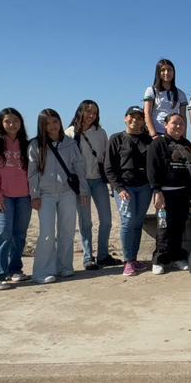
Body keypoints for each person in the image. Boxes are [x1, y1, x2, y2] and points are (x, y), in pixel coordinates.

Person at [29, 108, 89, 284]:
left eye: (55, 121)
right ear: (42, 125)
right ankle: (42, 271)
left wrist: (84, 191)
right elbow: (32, 173)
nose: (52, 126)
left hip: (67, 193)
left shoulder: (70, 143)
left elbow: (79, 168)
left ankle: (64, 266)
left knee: (67, 230)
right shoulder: (35, 145)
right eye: (47, 123)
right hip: (45, 195)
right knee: (47, 233)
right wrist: (35, 195)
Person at [0, 108, 31, 290]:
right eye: (8, 121)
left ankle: (15, 269)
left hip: (24, 196)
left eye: (16, 121)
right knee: (3, 233)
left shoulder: (26, 143)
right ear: (1, 123)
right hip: (3, 197)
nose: (12, 125)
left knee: (20, 233)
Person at [66, 100, 119, 272]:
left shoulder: (101, 132)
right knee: (85, 221)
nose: (91, 115)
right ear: (80, 111)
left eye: (94, 112)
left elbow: (105, 158)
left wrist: (111, 181)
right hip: (81, 183)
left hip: (98, 181)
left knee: (106, 220)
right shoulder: (69, 133)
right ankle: (88, 258)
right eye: (88, 111)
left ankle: (103, 255)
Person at [105, 107, 153, 277]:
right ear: (125, 118)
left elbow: (153, 165)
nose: (136, 120)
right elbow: (109, 168)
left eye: (140, 118)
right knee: (128, 221)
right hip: (125, 188)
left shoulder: (148, 140)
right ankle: (127, 261)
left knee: (138, 223)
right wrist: (119, 188)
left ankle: (133, 258)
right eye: (132, 117)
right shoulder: (116, 139)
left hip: (144, 188)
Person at [147, 113, 191, 274]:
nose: (178, 126)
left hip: (183, 193)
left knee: (179, 227)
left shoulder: (187, 144)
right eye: (174, 123)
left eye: (181, 124)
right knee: (164, 228)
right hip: (165, 194)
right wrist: (157, 191)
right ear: (166, 125)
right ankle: (160, 259)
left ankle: (177, 257)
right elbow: (152, 168)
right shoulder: (158, 144)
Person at [143, 58, 187, 140]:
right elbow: (147, 113)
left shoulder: (180, 94)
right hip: (156, 133)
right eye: (163, 70)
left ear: (174, 72)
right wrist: (153, 134)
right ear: (158, 73)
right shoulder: (151, 90)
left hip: (174, 135)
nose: (166, 73)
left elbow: (183, 117)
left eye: (169, 70)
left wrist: (183, 136)